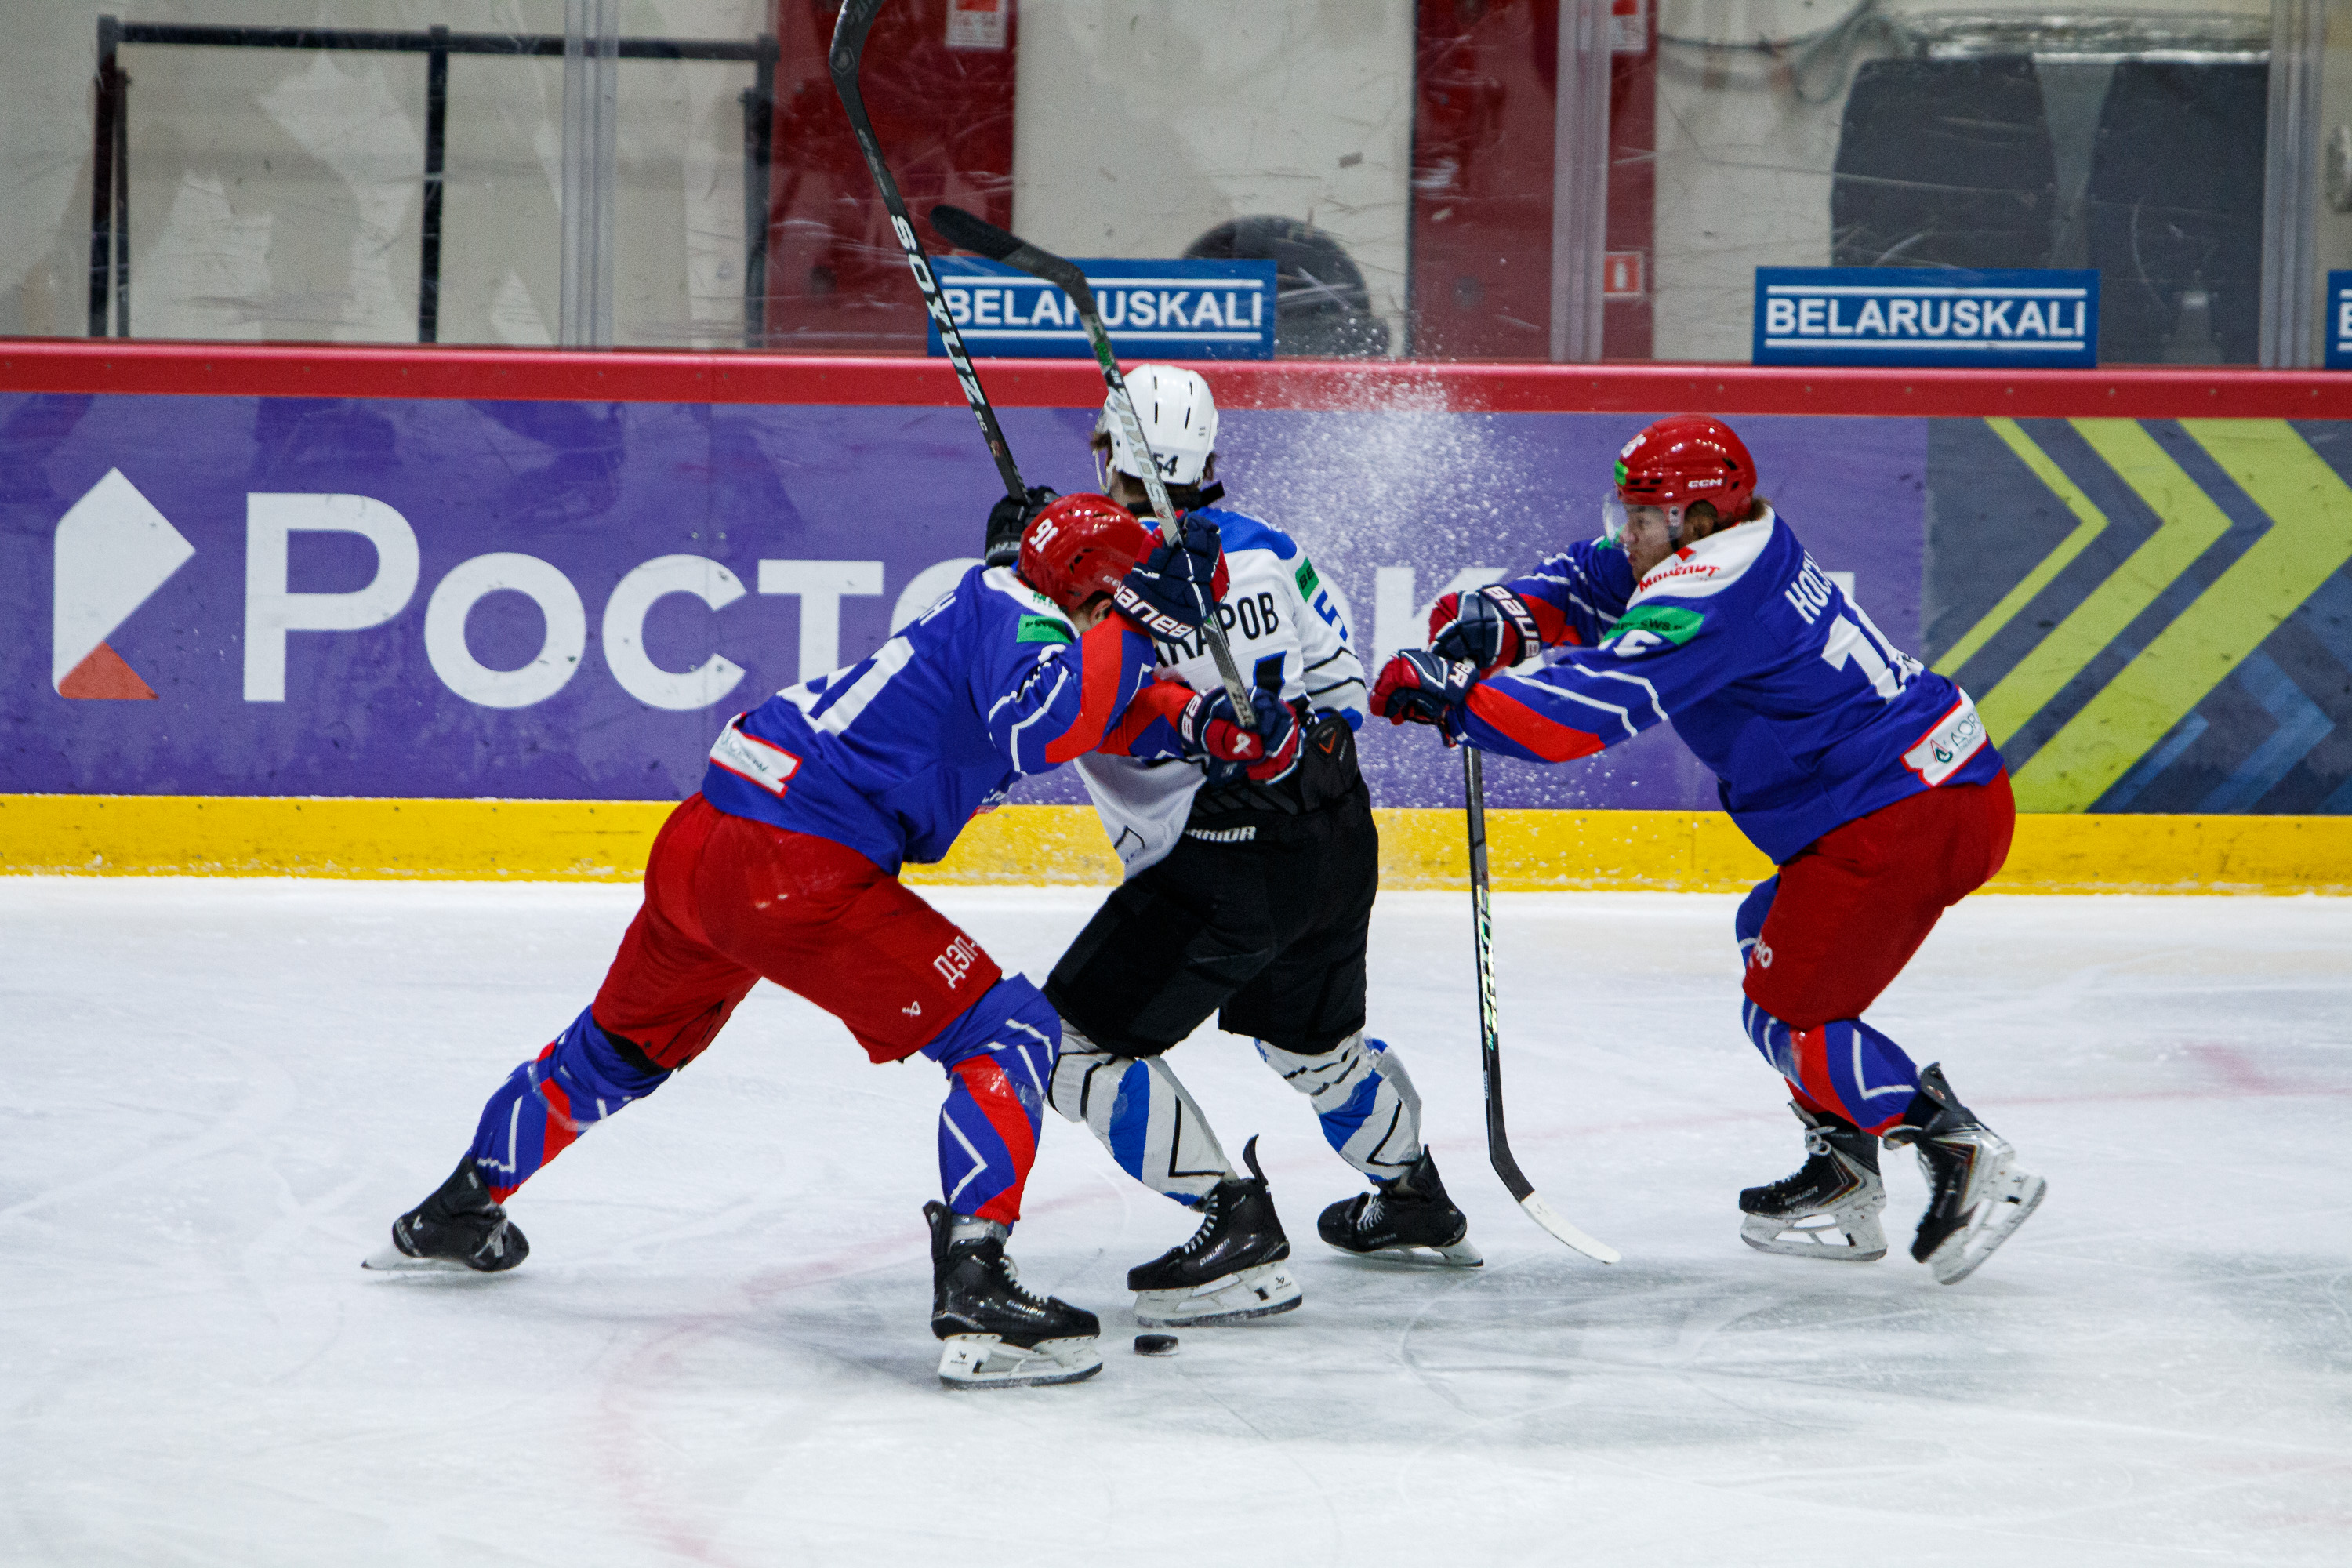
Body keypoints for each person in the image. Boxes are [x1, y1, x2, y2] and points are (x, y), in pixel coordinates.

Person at [367, 493, 1230, 1388]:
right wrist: (1140, 620)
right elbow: (1044, 724)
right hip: (794, 866)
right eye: (1120, 603)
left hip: (707, 840)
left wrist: (1200, 722)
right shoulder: (1029, 627)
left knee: (621, 1045)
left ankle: (460, 1206)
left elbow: (1098, 702)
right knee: (1008, 1031)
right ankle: (977, 1289)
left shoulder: (1006, 607)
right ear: (1094, 596)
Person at [1370, 415, 2046, 1285]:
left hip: (1905, 814)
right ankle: (1845, 1172)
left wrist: (1457, 701)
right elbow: (1589, 578)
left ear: (1692, 518)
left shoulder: (1711, 591)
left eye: (1639, 517)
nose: (1625, 533)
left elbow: (1591, 707)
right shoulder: (1727, 540)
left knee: (1791, 1014)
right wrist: (1504, 618)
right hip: (1922, 791)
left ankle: (1959, 1148)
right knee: (1765, 935)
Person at [1035, 365, 1480, 1332]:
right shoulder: (1275, 549)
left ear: (1109, 454)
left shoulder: (1096, 578)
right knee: (1314, 1047)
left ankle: (1232, 1222)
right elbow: (1341, 689)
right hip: (1333, 830)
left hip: (1217, 858)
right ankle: (1411, 1194)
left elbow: (1063, 700)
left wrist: (1027, 563)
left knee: (1069, 1045)